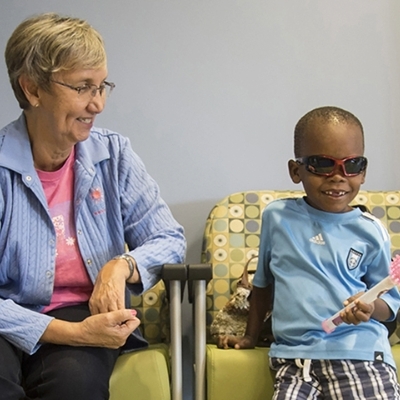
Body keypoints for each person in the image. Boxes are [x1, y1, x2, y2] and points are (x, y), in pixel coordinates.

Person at [0, 12, 186, 400]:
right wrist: (70, 334)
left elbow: (169, 237)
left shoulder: (112, 154)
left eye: (103, 86)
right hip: (7, 316)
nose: (97, 104)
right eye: (83, 87)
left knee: (73, 387)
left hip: (80, 311)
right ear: (32, 89)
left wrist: (120, 266)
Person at [219, 106, 400, 399]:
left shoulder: (371, 230)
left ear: (363, 172)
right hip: (293, 361)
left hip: (360, 354)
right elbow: (263, 284)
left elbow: (387, 301)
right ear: (295, 170)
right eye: (322, 164)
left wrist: (368, 308)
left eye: (352, 164)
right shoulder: (277, 218)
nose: (338, 176)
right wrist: (251, 336)